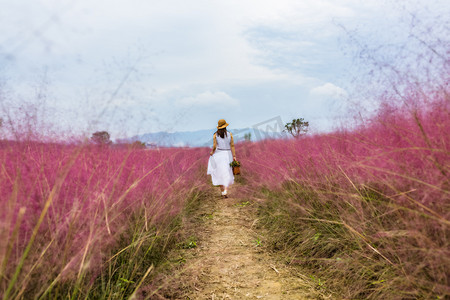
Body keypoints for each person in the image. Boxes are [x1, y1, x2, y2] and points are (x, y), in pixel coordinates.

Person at [207, 119, 237, 198]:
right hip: (228, 154)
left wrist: (212, 152)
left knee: (219, 172)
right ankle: (226, 190)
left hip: (218, 154)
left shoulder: (215, 135)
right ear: (225, 126)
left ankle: (222, 191)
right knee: (227, 171)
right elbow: (232, 146)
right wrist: (234, 156)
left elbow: (214, 146)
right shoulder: (230, 134)